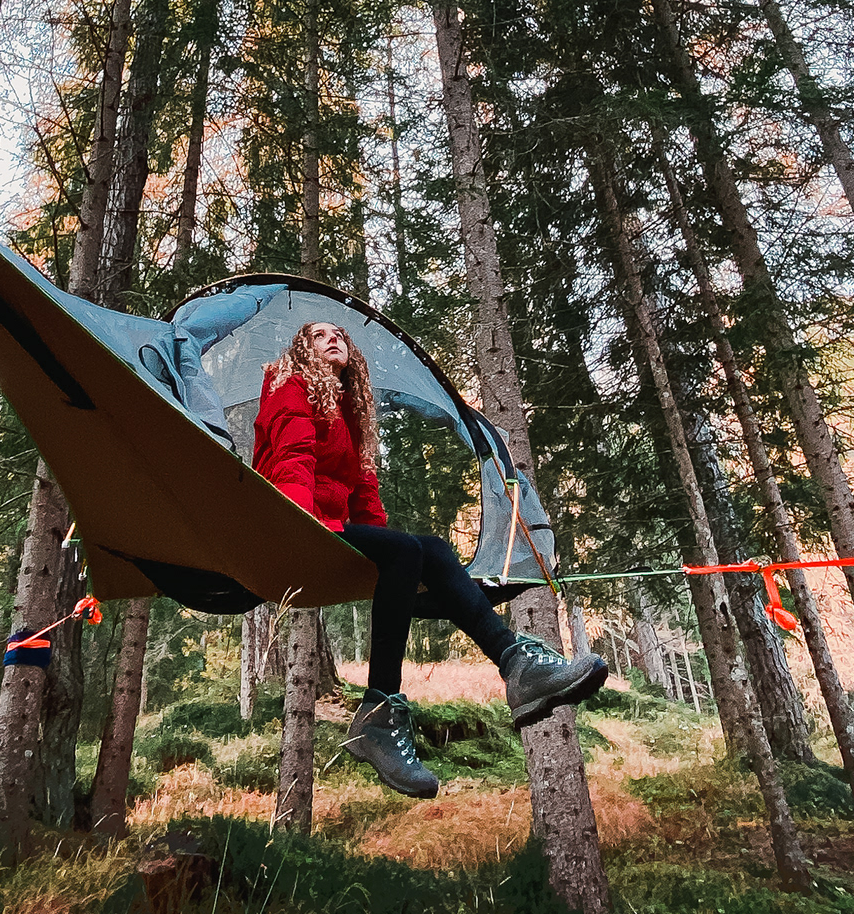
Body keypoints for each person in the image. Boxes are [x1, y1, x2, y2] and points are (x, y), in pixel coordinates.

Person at [252, 319, 607, 798]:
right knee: (408, 551)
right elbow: (291, 459)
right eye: (319, 335)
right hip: (291, 523)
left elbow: (364, 495)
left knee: (431, 550)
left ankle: (515, 665)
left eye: (339, 334)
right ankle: (378, 714)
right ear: (302, 349)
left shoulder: (350, 410)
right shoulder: (289, 384)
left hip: (331, 530)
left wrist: (383, 560)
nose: (333, 338)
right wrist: (300, 530)